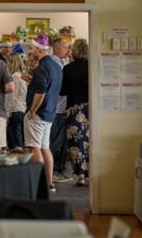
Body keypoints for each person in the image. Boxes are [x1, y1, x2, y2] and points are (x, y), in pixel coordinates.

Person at [24, 34, 63, 192]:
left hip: (39, 114)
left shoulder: (41, 67)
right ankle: (49, 183)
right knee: (45, 147)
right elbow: (49, 87)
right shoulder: (56, 66)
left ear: (40, 49)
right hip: (50, 113)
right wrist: (32, 81)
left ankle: (38, 185)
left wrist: (32, 110)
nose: (31, 50)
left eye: (32, 47)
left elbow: (41, 93)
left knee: (35, 148)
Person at [60, 39, 89, 187]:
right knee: (90, 142)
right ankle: (93, 172)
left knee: (76, 143)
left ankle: (81, 176)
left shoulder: (68, 68)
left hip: (73, 110)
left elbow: (62, 91)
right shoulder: (92, 66)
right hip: (90, 110)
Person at [49, 37, 73, 183]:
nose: (67, 50)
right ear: (56, 48)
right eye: (65, 47)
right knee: (56, 142)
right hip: (56, 109)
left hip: (65, 109)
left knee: (64, 143)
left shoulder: (65, 63)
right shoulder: (53, 64)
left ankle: (61, 169)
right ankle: (54, 171)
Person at [5, 53, 28, 150]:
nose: (6, 65)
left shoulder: (14, 76)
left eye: (7, 62)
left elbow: (12, 97)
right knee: (20, 142)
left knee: (16, 145)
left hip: (15, 111)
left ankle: (20, 164)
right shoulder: (22, 76)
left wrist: (7, 114)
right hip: (21, 110)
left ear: (12, 63)